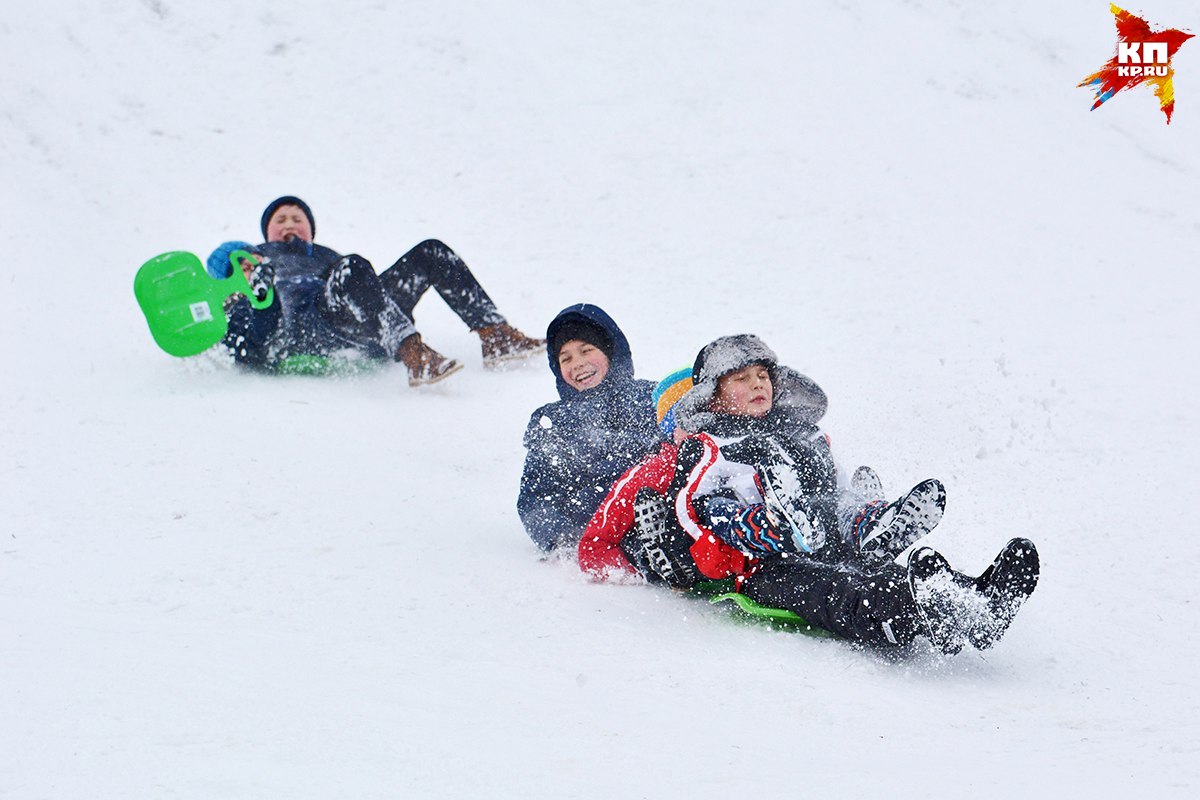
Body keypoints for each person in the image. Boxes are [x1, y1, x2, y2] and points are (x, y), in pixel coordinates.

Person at [580, 334, 1039, 655]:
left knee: (845, 521)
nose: (757, 383)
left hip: (819, 528)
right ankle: (904, 609)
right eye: (741, 379)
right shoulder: (708, 448)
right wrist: (751, 530)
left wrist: (852, 505)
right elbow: (696, 510)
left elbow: (832, 486)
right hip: (759, 562)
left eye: (762, 375)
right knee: (836, 587)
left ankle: (965, 599)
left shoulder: (798, 437)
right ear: (712, 399)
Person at [207, 195, 545, 385]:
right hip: (305, 330)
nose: (290, 224)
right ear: (264, 234)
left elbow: (361, 288)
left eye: (298, 218)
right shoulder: (252, 269)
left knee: (430, 252)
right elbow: (248, 344)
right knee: (351, 268)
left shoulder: (329, 258)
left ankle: (495, 335)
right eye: (280, 220)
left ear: (311, 229)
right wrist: (256, 286)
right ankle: (414, 354)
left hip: (356, 324)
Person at [517, 304, 662, 553]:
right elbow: (536, 496)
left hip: (652, 513)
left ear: (610, 353)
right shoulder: (553, 421)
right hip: (594, 531)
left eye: (587, 350)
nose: (578, 363)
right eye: (566, 358)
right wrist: (560, 540)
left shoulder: (650, 398)